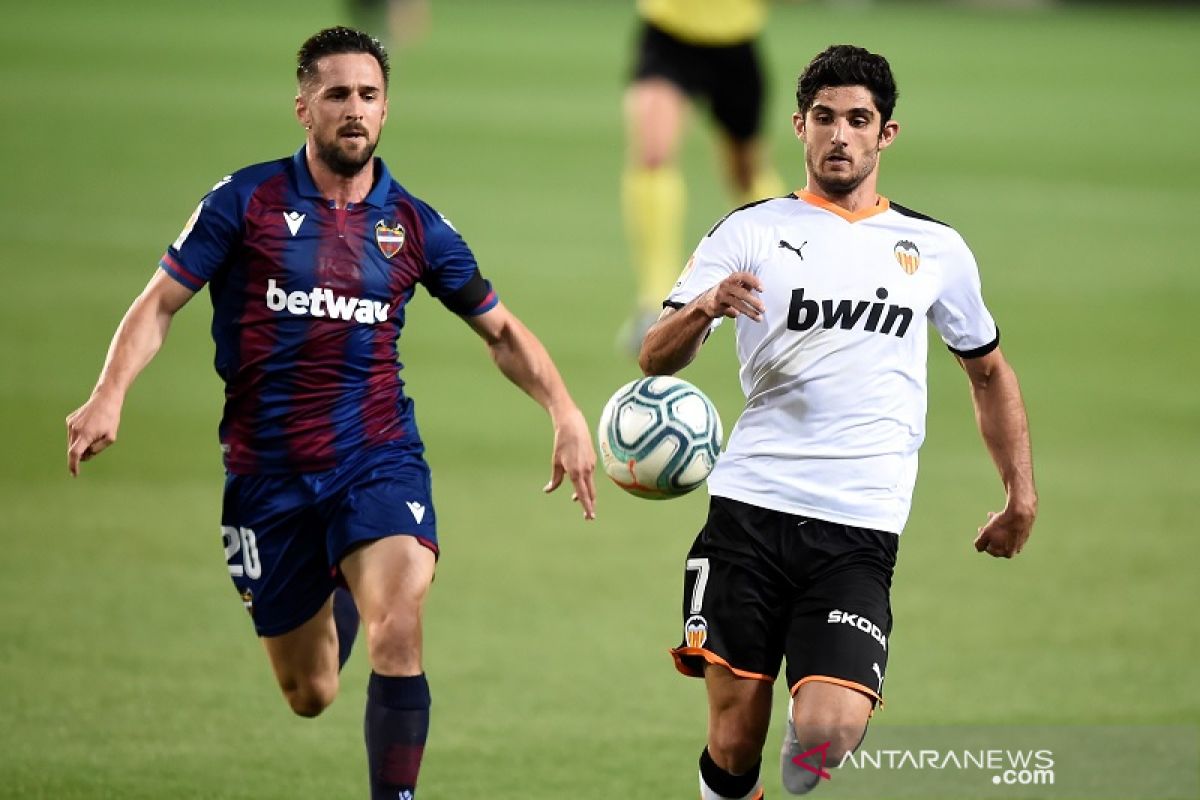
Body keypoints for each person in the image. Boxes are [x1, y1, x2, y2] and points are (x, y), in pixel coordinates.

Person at [65, 27, 596, 800]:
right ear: (303, 106)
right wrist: (110, 391)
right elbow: (158, 306)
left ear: (386, 109)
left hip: (376, 458)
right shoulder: (244, 202)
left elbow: (502, 329)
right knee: (310, 692)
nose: (355, 110)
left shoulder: (413, 224)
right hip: (266, 475)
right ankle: (337, 577)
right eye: (338, 94)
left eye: (370, 95)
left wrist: (565, 409)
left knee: (399, 625)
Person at [639, 44, 1037, 798]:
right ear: (799, 125)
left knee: (826, 736)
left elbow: (988, 371)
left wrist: (1021, 493)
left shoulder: (936, 250)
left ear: (886, 134)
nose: (840, 136)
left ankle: (803, 749)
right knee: (730, 743)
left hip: (858, 529)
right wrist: (704, 305)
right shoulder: (749, 230)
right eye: (825, 118)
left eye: (858, 120)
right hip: (749, 513)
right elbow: (656, 357)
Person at [621, 0, 785, 353]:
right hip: (669, 35)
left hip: (735, 40)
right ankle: (656, 300)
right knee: (653, 154)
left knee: (745, 173)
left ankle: (790, 272)